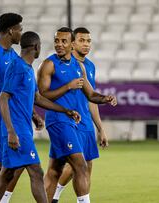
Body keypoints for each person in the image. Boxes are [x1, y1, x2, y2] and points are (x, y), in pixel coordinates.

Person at [0, 31, 80, 203]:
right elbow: (3, 99)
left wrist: (64, 110)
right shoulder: (17, 67)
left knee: (7, 173)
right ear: (36, 47)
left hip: (22, 128)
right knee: (36, 171)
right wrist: (11, 131)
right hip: (17, 130)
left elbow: (37, 98)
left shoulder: (27, 68)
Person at [37, 27, 117, 203]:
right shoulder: (48, 64)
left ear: (70, 44)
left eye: (63, 41)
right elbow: (41, 95)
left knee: (55, 169)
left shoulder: (79, 66)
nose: (59, 44)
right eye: (56, 41)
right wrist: (68, 86)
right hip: (58, 120)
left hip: (76, 121)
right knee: (79, 165)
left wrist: (105, 98)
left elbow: (91, 95)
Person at [0, 13, 44, 202]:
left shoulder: (14, 56)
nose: (21, 33)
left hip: (13, 118)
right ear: (11, 31)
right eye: (20, 29)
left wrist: (33, 114)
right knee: (3, 166)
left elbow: (19, 93)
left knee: (3, 167)